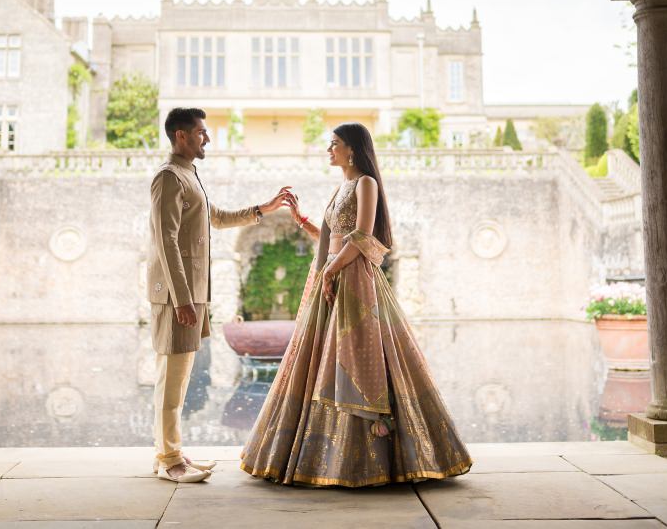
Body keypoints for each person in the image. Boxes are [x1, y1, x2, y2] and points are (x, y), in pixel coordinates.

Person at [240, 122, 471, 487]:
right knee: (319, 362)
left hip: (354, 281)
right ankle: (316, 460)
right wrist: (304, 225)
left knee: (360, 358)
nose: (328, 150)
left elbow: (362, 235)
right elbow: (335, 238)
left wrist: (331, 270)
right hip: (332, 278)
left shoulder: (366, 183)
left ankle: (378, 459)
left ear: (352, 149)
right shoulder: (342, 187)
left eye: (334, 144)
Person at [148, 107, 294, 483]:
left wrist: (265, 208)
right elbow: (165, 242)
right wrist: (181, 299)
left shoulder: (188, 175)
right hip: (176, 296)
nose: (206, 138)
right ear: (181, 136)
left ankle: (170, 452)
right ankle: (169, 459)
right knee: (171, 379)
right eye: (200, 132)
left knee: (180, 379)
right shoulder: (168, 177)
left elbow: (219, 217)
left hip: (192, 293)